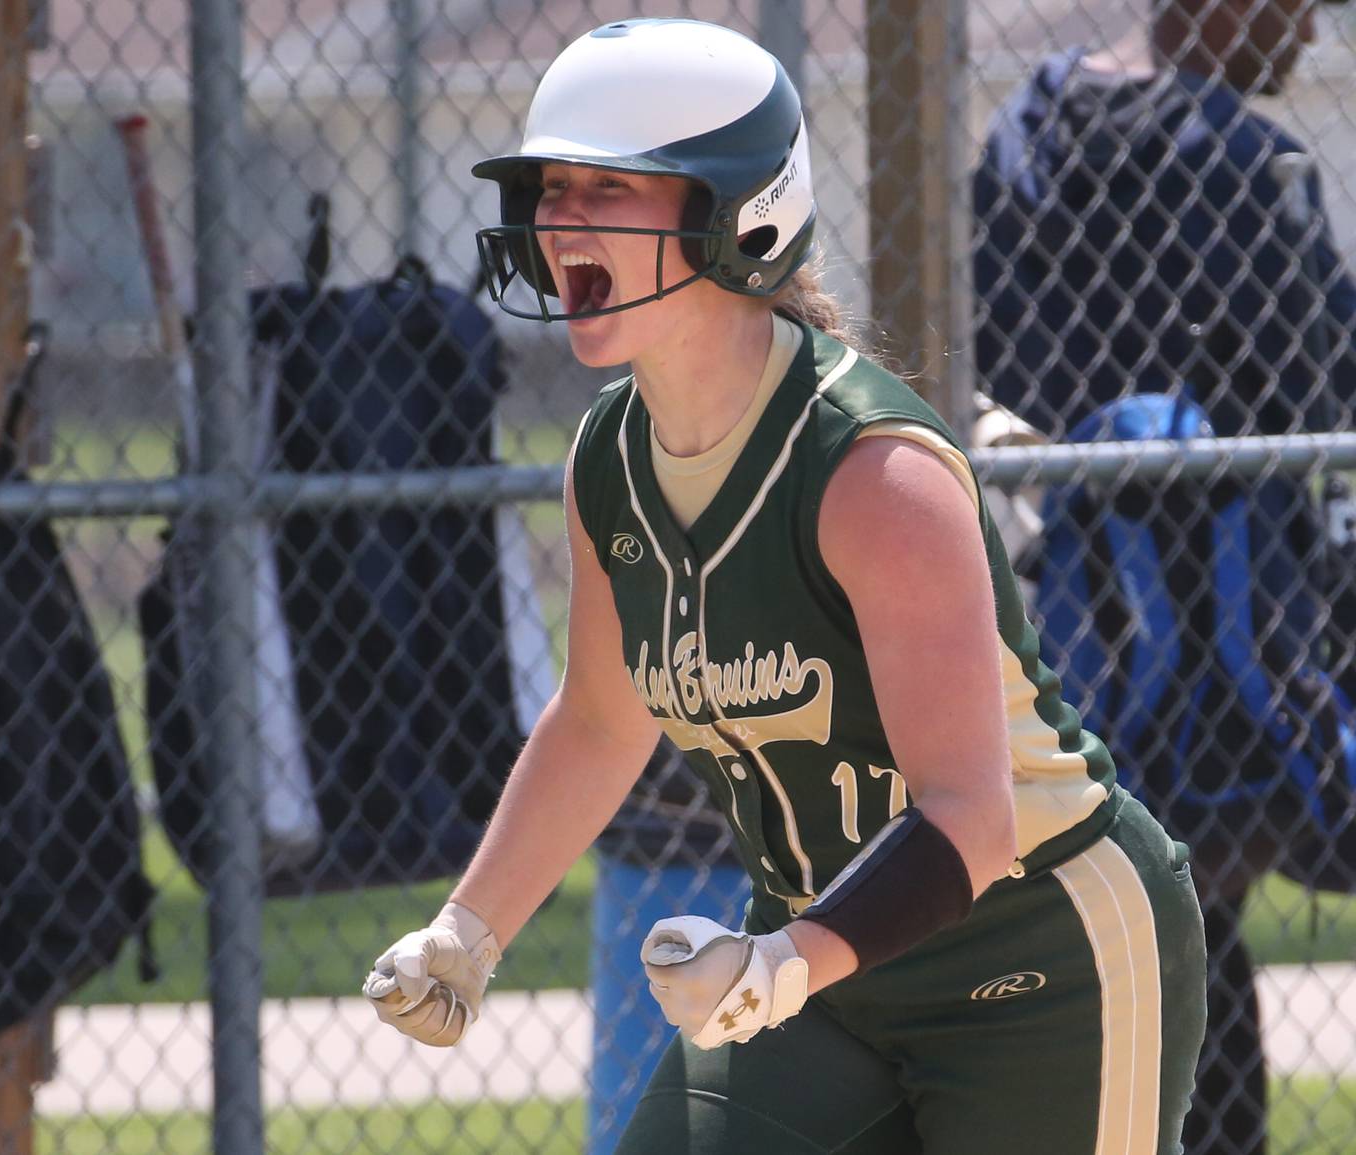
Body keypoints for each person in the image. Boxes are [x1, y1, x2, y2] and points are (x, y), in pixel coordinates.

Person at [364, 18, 1207, 1154]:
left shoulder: (874, 474)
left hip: (1039, 957)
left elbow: (970, 819)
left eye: (608, 188)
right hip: (821, 953)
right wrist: (469, 933)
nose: (560, 220)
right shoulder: (610, 457)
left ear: (737, 215)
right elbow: (601, 723)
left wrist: (777, 968)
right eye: (551, 188)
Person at [972, 3, 1356, 1153]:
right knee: (1193, 911)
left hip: (1071, 616)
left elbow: (983, 355)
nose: (1305, 41)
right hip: (1241, 618)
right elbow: (1325, 391)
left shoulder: (1022, 142)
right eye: (1289, 12)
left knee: (1142, 916)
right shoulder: (1243, 161)